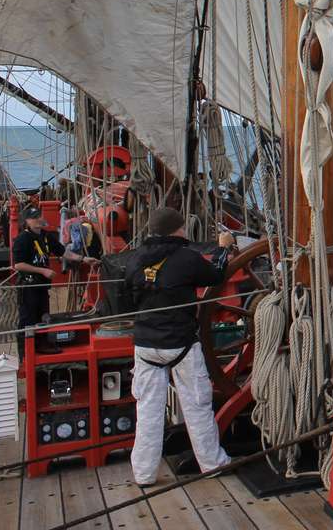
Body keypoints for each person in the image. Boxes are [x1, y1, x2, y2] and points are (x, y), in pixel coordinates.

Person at [122, 207, 230, 487]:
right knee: (197, 405)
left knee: (147, 411)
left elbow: (128, 294)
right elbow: (216, 276)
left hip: (145, 346)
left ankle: (144, 474)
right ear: (177, 230)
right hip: (180, 344)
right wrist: (223, 249)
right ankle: (212, 463)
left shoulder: (135, 260)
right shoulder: (187, 259)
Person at [12, 205, 92, 355]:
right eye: (34, 218)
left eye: (39, 216)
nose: (38, 220)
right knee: (27, 319)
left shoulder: (46, 236)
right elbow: (18, 265)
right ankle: (25, 354)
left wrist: (84, 259)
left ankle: (42, 345)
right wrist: (42, 270)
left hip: (42, 285)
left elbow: (63, 252)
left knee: (43, 316)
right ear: (27, 221)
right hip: (28, 286)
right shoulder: (22, 239)